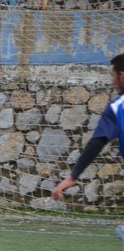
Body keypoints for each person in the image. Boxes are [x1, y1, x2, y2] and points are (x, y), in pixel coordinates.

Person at [52, 53, 124, 204]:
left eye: (113, 76)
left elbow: (97, 141)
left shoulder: (117, 107)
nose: (112, 81)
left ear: (122, 76)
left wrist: (73, 176)